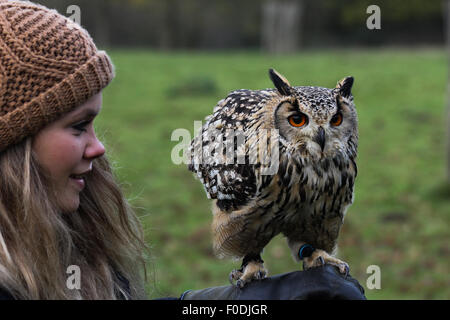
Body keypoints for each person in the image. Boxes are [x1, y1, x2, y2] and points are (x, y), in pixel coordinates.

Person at [0, 0, 365, 300]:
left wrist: (224, 305)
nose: (99, 147)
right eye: (78, 126)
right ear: (13, 139)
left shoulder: (69, 228)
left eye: (95, 123)